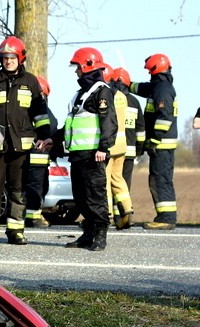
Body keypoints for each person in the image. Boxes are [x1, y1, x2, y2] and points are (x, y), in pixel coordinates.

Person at [0, 36, 51, 246]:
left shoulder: (30, 82)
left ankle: (16, 231)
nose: (8, 61)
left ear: (20, 58)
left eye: (12, 57)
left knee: (18, 189)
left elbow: (40, 113)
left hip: (20, 146)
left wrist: (44, 135)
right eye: (5, 57)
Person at [49, 47, 117, 251]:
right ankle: (88, 233)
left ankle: (100, 234)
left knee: (95, 195)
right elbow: (71, 124)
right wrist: (53, 140)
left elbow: (109, 122)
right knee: (80, 197)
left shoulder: (101, 91)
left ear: (88, 65)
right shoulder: (81, 94)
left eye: (77, 67)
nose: (76, 71)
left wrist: (103, 147)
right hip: (78, 154)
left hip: (94, 155)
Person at [130, 53, 179, 230]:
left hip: (161, 143)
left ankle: (166, 218)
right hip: (163, 144)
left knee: (160, 180)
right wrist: (127, 83)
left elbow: (164, 117)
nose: (148, 74)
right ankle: (166, 217)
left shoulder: (162, 89)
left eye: (149, 71)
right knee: (161, 179)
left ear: (154, 70)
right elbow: (143, 88)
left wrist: (153, 139)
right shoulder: (160, 86)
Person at [99, 63, 134, 230]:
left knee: (105, 181)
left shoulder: (104, 94)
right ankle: (127, 209)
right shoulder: (121, 95)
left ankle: (107, 215)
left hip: (109, 145)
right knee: (118, 178)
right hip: (121, 144)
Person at [24, 75, 59, 228]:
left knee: (30, 187)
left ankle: (29, 215)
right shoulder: (40, 108)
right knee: (36, 188)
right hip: (37, 156)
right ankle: (33, 217)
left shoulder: (23, 109)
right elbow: (51, 126)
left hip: (31, 156)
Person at [111, 67, 145, 194]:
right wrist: (139, 150)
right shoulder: (135, 102)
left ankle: (113, 207)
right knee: (124, 185)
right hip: (129, 152)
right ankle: (124, 207)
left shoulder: (109, 98)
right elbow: (140, 130)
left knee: (110, 184)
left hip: (112, 150)